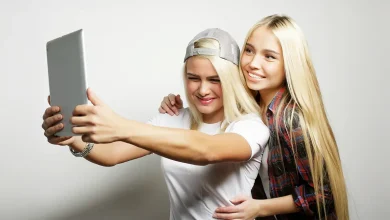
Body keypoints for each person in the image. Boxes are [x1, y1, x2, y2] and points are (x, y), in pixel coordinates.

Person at [41, 28, 270, 220]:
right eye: (193, 78)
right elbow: (111, 154)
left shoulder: (251, 126)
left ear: (231, 80)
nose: (202, 89)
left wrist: (121, 126)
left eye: (214, 80)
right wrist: (73, 139)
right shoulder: (171, 117)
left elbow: (206, 150)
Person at [157, 14, 349, 220]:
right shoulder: (250, 108)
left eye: (269, 56)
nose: (253, 63)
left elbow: (323, 194)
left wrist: (260, 208)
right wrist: (175, 106)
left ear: (290, 64)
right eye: (249, 50)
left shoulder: (292, 119)